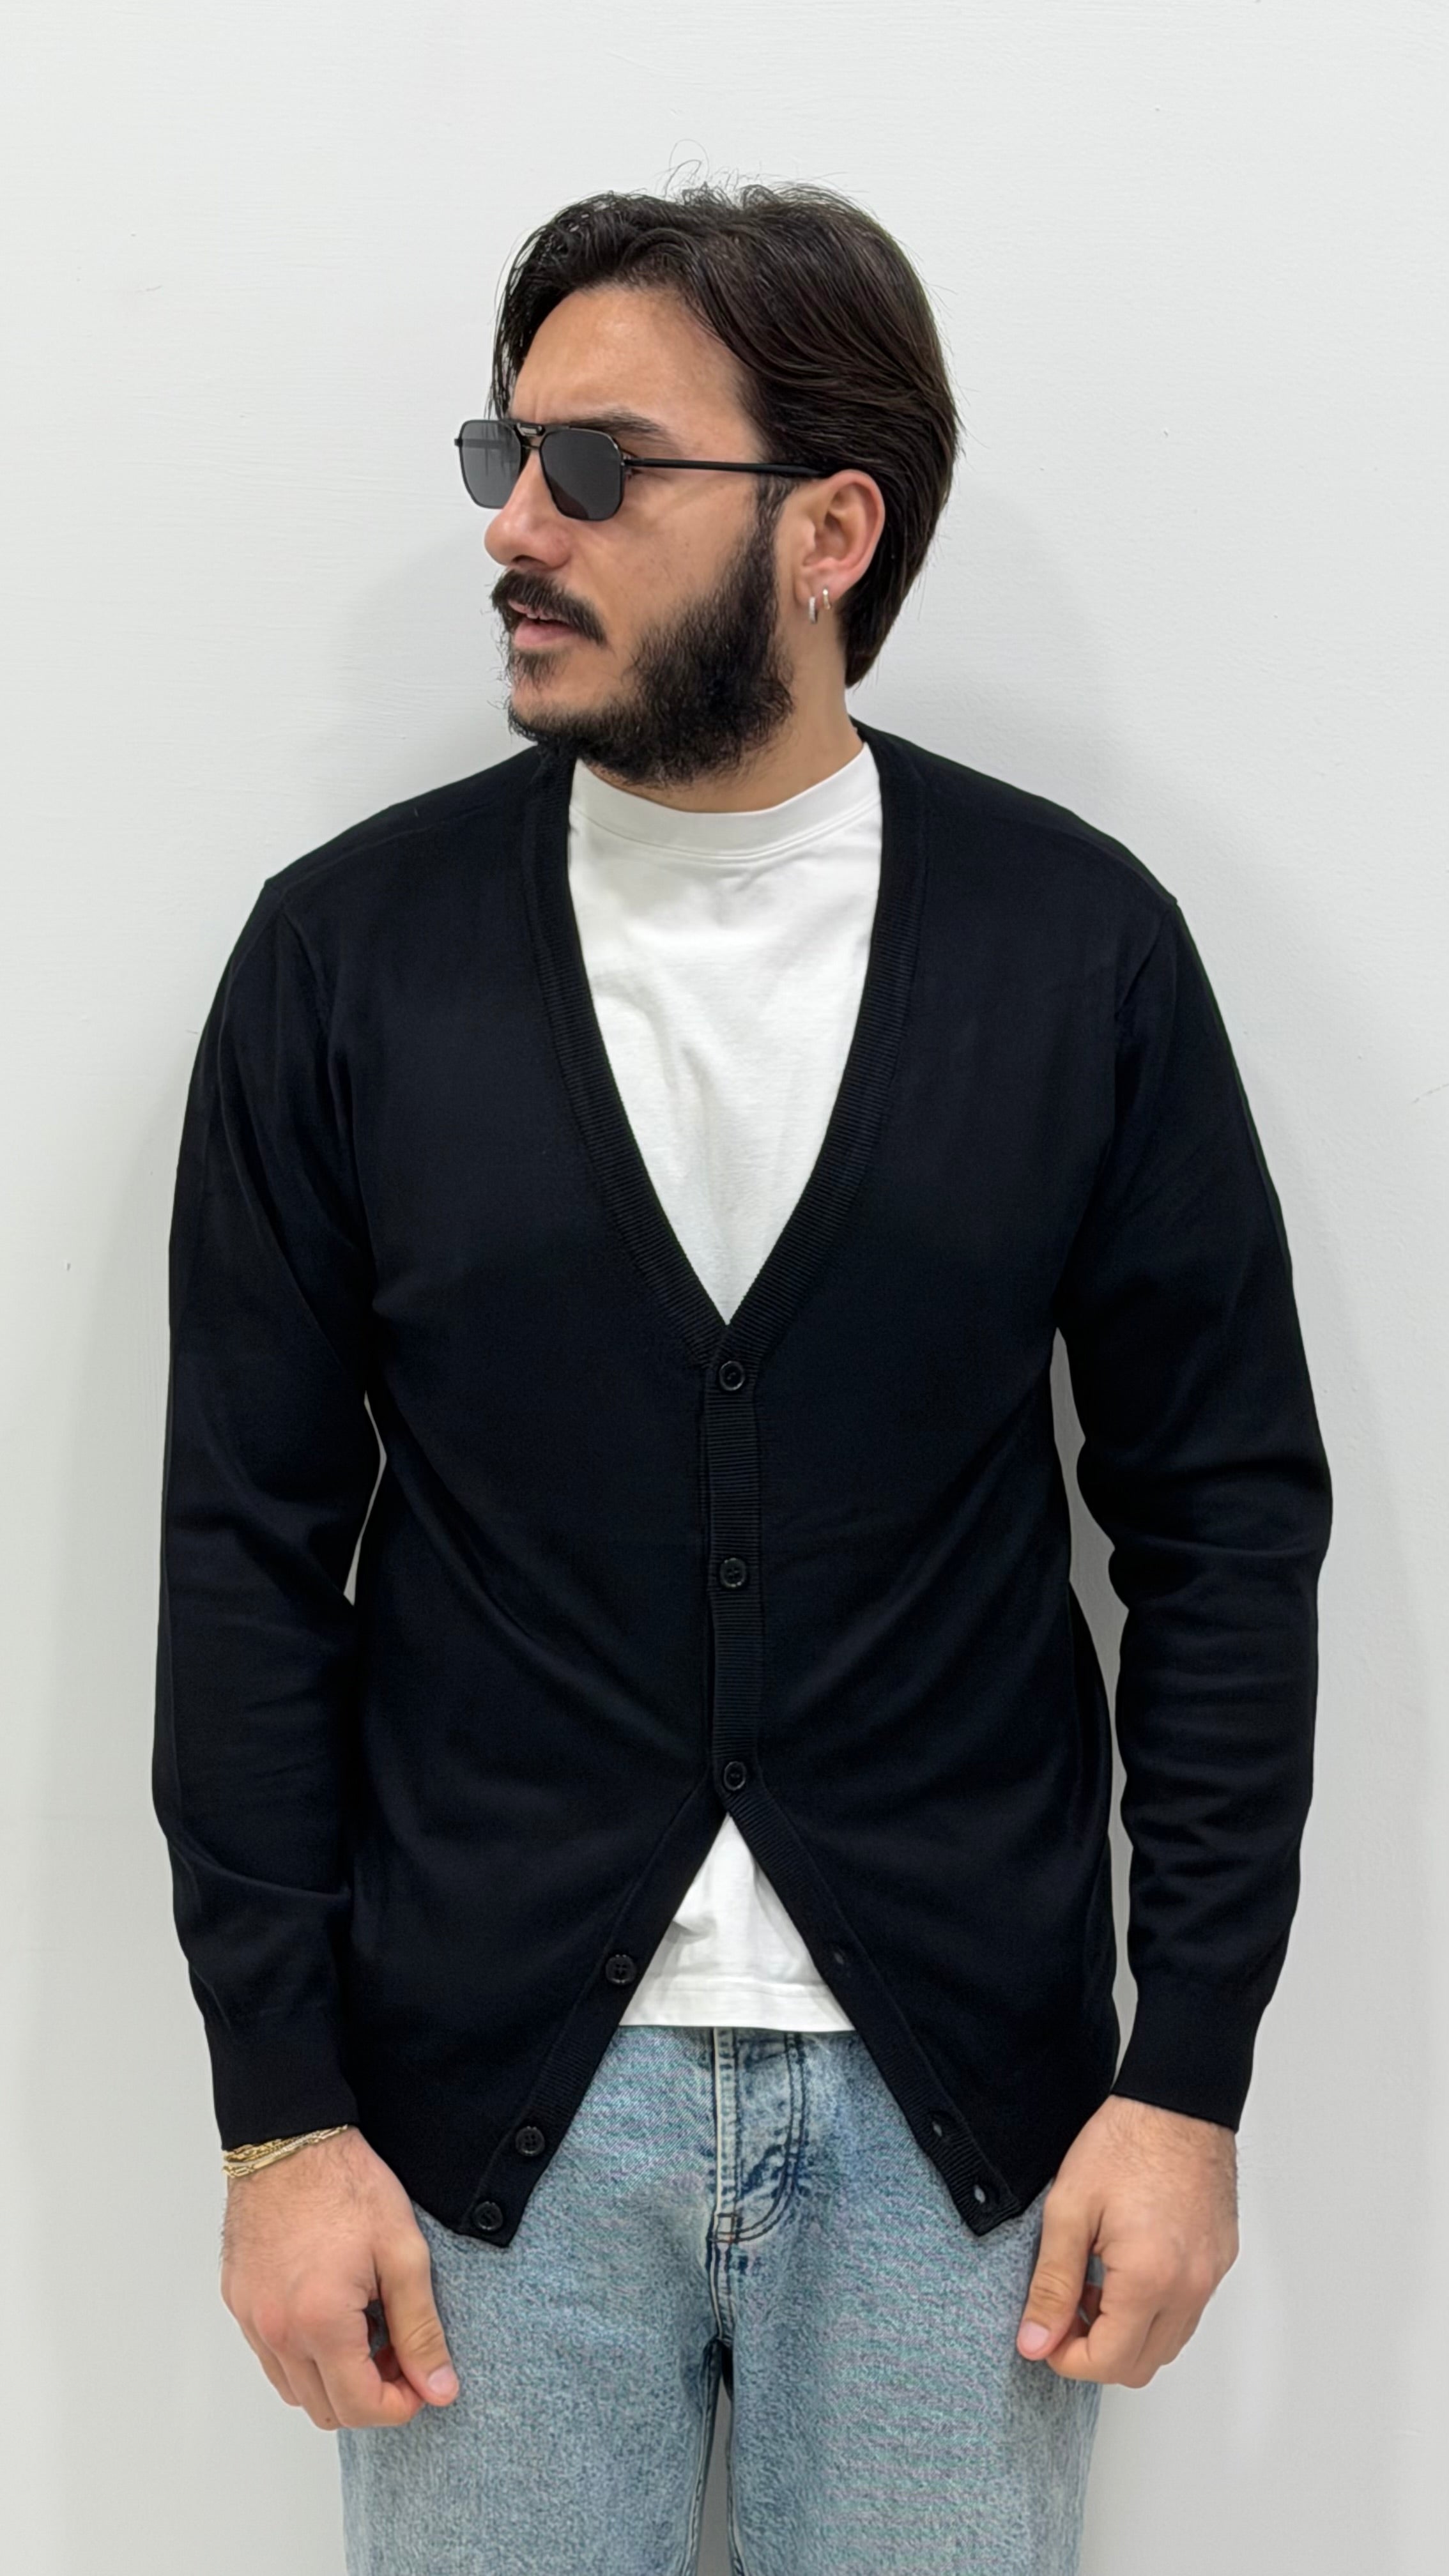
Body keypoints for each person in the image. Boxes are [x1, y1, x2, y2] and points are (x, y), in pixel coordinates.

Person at [152, 181, 1332, 2575]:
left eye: (597, 466)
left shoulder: (1074, 952)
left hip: (962, 2117)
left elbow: (1221, 1526)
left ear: (828, 529)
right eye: (504, 453)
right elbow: (245, 1555)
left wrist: (1188, 2073)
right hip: (478, 2122)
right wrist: (276, 2116)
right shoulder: (348, 961)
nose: (515, 523)